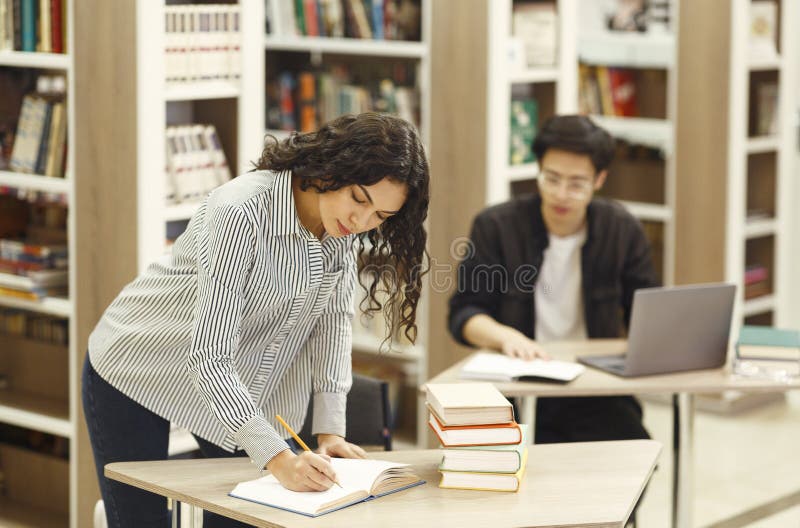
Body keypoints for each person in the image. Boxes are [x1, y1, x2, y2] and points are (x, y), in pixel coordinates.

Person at [83, 113, 430, 528]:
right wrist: (276, 457)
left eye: (381, 216)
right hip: (139, 366)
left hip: (233, 388)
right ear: (333, 166)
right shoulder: (241, 211)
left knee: (257, 517)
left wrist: (330, 432)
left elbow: (333, 324)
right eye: (359, 198)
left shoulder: (341, 227)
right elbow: (209, 356)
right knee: (143, 522)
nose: (362, 221)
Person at [448, 114, 655, 444]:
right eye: (551, 178)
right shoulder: (497, 226)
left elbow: (647, 314)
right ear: (538, 170)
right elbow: (464, 314)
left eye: (577, 184)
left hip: (594, 387)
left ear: (599, 179)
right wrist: (505, 337)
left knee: (636, 457)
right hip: (517, 388)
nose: (561, 194)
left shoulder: (622, 229)